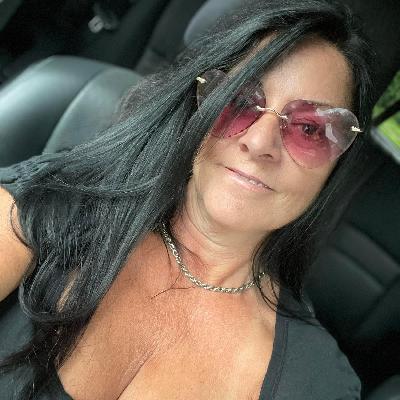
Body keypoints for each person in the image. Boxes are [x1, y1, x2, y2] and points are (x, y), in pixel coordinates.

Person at [0, 0, 377, 398]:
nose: (258, 142)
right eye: (239, 101)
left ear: (339, 161)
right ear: (198, 103)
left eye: (309, 129)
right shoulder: (48, 205)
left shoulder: (318, 384)